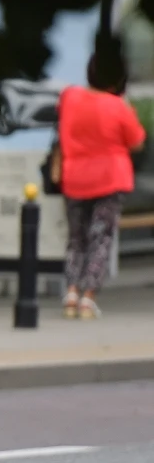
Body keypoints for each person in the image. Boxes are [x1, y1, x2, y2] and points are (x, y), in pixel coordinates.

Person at [56, 52, 146, 319]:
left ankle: (71, 293)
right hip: (110, 180)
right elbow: (137, 141)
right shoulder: (118, 106)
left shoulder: (69, 98)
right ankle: (88, 299)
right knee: (101, 239)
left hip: (74, 179)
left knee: (76, 239)